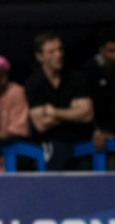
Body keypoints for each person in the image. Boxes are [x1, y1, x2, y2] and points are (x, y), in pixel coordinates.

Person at [24, 31, 94, 171]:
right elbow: (41, 124)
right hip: (51, 146)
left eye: (60, 49)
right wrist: (73, 113)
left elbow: (87, 116)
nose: (58, 54)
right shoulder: (33, 84)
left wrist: (54, 112)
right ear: (39, 57)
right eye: (51, 52)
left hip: (82, 143)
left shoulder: (77, 78)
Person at [83, 30, 115, 162]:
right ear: (101, 50)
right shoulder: (90, 69)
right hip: (102, 131)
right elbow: (88, 105)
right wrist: (96, 131)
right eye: (111, 51)